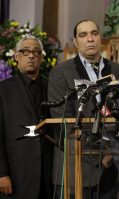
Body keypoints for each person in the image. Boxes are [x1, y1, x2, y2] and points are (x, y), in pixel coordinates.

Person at [48, 19, 119, 198]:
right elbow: (64, 123)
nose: (90, 39)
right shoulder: (60, 73)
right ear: (76, 42)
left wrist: (111, 151)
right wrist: (99, 151)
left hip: (113, 170)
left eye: (94, 33)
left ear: (101, 38)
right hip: (75, 167)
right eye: (83, 35)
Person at [0, 35, 52, 199]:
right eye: (25, 51)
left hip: (48, 172)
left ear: (42, 58)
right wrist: (2, 173)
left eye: (36, 52)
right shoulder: (3, 90)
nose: (31, 56)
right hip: (16, 172)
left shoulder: (51, 86)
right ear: (16, 56)